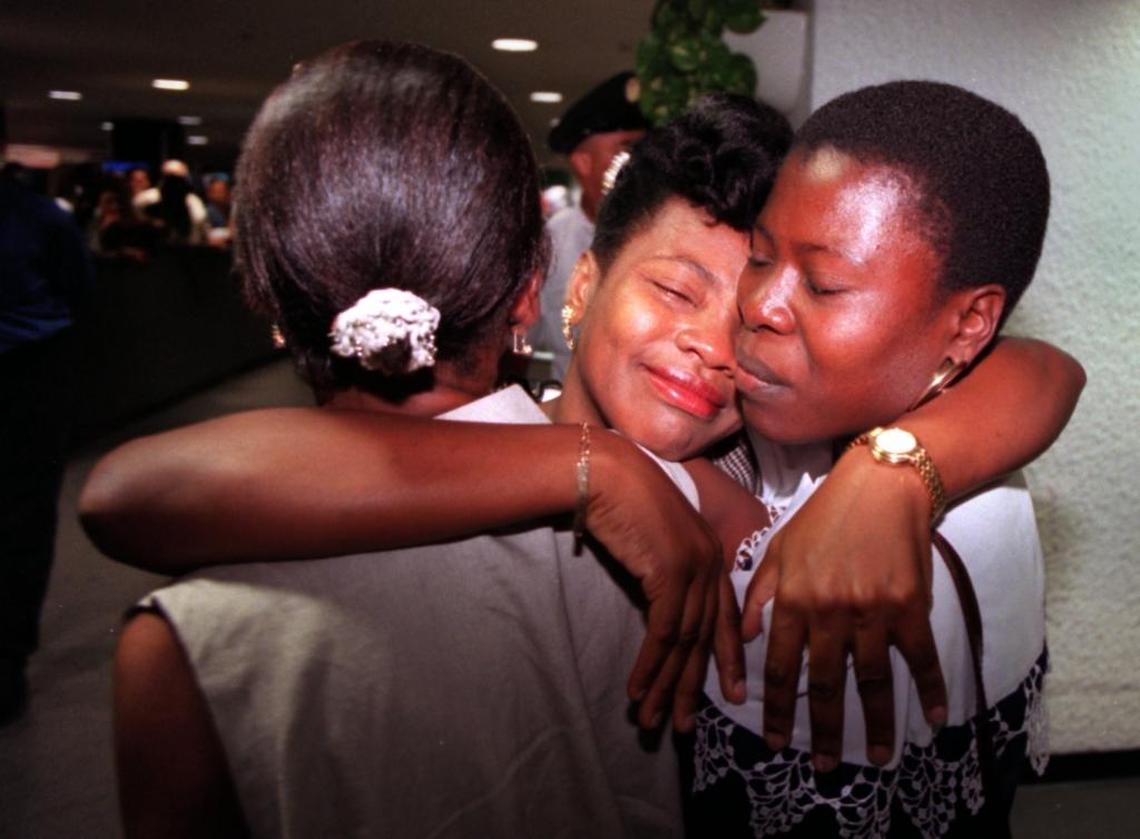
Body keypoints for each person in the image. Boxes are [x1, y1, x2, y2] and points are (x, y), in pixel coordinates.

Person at [85, 88, 1083, 836]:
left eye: (772, 292)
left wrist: (896, 466)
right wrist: (591, 463)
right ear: (572, 284)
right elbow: (134, 490)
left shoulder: (752, 469)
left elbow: (1039, 369)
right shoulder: (643, 473)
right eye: (679, 288)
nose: (725, 336)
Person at [103, 41, 758, 839]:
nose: (716, 347)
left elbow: (121, 495)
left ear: (268, 301)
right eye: (676, 289)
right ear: (534, 290)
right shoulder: (680, 537)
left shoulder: (182, 651)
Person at [688, 80, 1061, 838]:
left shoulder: (856, 584)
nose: (760, 304)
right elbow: (1049, 368)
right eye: (759, 257)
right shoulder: (920, 423)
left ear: (969, 323)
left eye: (824, 283)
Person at [0, 154, 95, 725]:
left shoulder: (36, 216)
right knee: (22, 515)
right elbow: (78, 290)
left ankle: (6, 657)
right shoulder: (38, 215)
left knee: (22, 513)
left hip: (25, 373)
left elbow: (76, 290)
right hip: (27, 368)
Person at [531, 71, 650, 379]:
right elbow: (523, 337)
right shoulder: (550, 244)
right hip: (565, 416)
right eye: (625, 149)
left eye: (643, 147)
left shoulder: (660, 237)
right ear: (583, 162)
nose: (640, 160)